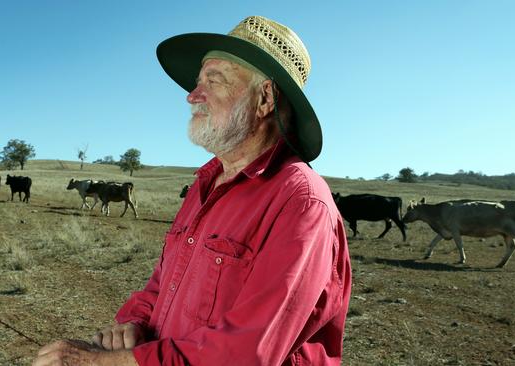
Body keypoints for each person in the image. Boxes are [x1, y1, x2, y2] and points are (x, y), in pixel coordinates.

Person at [33, 15, 351, 366]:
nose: (192, 95)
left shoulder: (300, 204)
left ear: (265, 99)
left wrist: (96, 362)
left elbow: (245, 354)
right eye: (198, 81)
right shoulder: (205, 185)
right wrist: (135, 322)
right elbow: (163, 283)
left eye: (212, 81)